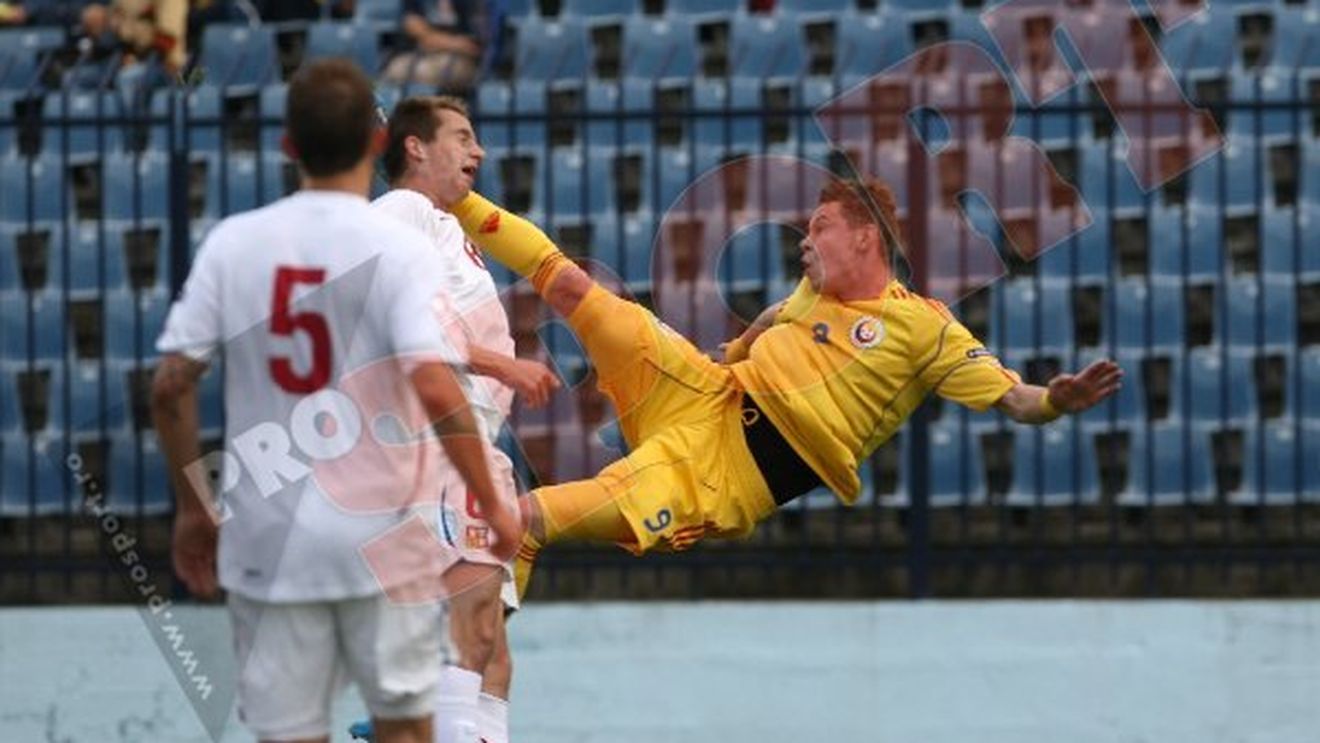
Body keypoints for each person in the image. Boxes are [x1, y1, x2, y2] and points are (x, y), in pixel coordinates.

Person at [444, 177, 1124, 600]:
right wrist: (739, 347)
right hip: (707, 390)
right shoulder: (813, 290)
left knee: (526, 518)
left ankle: (464, 709)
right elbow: (780, 315)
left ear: (865, 239)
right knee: (572, 286)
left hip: (722, 472)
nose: (804, 243)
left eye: (819, 229)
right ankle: (454, 199)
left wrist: (1058, 399)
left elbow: (1018, 400)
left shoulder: (925, 329)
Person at [150, 58, 520, 743]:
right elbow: (433, 380)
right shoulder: (396, 242)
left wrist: (193, 510)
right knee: (409, 724)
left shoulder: (235, 242)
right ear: (379, 144)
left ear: (289, 145)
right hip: (380, 522)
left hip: (272, 536)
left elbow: (171, 384)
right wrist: (490, 498)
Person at [368, 94, 559, 743]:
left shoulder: (444, 224)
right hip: (437, 443)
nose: (477, 151)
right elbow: (404, 323)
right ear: (415, 147)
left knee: (494, 653)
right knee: (468, 633)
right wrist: (501, 365)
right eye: (462, 136)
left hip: (475, 442)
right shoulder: (402, 210)